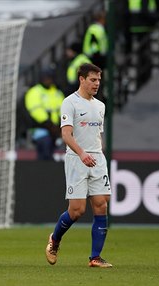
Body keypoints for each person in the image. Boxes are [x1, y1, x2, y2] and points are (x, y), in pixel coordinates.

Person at [45, 63, 112, 268]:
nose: (97, 84)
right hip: (77, 159)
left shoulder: (100, 105)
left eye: (99, 80)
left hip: (96, 159)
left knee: (101, 204)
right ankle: (54, 240)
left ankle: (95, 257)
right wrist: (82, 153)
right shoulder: (69, 103)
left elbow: (98, 134)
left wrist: (98, 153)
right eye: (93, 80)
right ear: (81, 79)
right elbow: (66, 134)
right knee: (77, 210)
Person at [24, 67, 65, 160]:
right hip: (39, 127)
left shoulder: (57, 93)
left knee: (52, 150)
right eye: (46, 78)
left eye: (50, 78)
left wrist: (60, 125)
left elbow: (63, 109)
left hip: (56, 129)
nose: (48, 80)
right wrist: (49, 124)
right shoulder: (35, 91)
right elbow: (36, 110)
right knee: (45, 146)